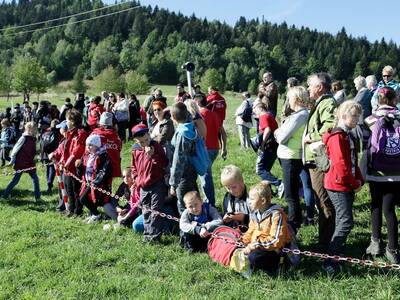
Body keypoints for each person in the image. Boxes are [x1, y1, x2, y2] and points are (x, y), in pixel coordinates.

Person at [322, 100, 364, 273]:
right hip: (338, 184)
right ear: (343, 114)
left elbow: (353, 160)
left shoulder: (348, 134)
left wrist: (359, 178)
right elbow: (341, 165)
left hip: (346, 183)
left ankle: (337, 254)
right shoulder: (338, 136)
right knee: (346, 222)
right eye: (354, 115)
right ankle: (329, 260)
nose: (357, 119)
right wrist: (354, 183)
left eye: (358, 116)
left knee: (342, 219)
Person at [363, 87, 400, 264]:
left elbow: (364, 144)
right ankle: (392, 249)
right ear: (395, 101)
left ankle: (375, 243)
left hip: (376, 172)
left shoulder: (370, 120)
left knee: (376, 206)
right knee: (390, 210)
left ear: (378, 100)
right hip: (396, 172)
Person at [303, 72, 337, 251]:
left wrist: (311, 136)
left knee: (324, 201)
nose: (308, 88)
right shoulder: (321, 102)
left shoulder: (328, 103)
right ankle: (325, 239)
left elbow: (330, 126)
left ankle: (326, 243)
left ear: (320, 87)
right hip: (315, 158)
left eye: (311, 85)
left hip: (319, 159)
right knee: (320, 200)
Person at [274, 86, 310, 233]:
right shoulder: (301, 114)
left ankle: (294, 223)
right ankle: (297, 219)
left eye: (289, 98)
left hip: (291, 156)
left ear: (295, 99)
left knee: (291, 193)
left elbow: (282, 137)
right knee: (294, 190)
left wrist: (278, 132)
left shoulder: (299, 116)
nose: (288, 101)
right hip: (292, 155)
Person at [241, 181, 292, 275]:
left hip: (275, 250)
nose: (249, 201)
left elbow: (276, 241)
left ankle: (275, 267)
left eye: (252, 199)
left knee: (254, 257)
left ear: (263, 201)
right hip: (259, 246)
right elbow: (250, 232)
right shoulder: (255, 214)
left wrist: (256, 245)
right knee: (240, 251)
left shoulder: (276, 215)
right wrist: (242, 242)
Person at [131, 124, 168, 243]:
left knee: (156, 211)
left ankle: (155, 236)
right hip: (143, 186)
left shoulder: (156, 146)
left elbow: (164, 163)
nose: (145, 143)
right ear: (136, 141)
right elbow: (134, 167)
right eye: (141, 142)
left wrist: (153, 156)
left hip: (157, 184)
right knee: (146, 211)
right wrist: (136, 179)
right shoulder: (135, 150)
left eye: (146, 140)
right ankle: (147, 234)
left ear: (149, 135)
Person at [49, 109, 89, 217]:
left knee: (75, 190)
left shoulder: (80, 134)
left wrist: (67, 163)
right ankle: (71, 210)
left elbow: (77, 151)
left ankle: (77, 211)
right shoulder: (69, 134)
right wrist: (54, 154)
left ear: (72, 120)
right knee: (68, 189)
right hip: (66, 168)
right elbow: (62, 149)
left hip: (74, 168)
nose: (66, 122)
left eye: (67, 119)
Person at [169, 102, 199, 214]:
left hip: (183, 175)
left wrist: (173, 184)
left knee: (184, 206)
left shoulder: (182, 134)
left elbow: (178, 160)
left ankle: (187, 230)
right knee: (196, 202)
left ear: (173, 117)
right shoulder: (190, 126)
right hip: (192, 170)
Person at [76, 134, 113, 224]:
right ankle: (93, 214)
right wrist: (79, 166)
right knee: (88, 199)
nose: (88, 147)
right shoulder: (87, 155)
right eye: (87, 145)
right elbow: (83, 170)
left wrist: (96, 182)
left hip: (97, 183)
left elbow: (104, 171)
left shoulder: (103, 156)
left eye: (90, 145)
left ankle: (96, 214)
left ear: (97, 145)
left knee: (83, 198)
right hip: (88, 181)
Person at [1, 122, 41, 201]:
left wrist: (38, 153)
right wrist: (12, 159)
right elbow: (15, 148)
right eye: (35, 128)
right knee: (15, 180)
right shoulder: (24, 138)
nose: (36, 130)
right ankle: (4, 195)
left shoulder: (33, 138)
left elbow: (33, 150)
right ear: (29, 129)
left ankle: (38, 198)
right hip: (21, 162)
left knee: (35, 179)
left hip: (30, 162)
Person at [195, 94, 220, 206]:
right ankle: (208, 201)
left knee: (205, 177)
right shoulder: (213, 114)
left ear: (197, 102)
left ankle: (210, 203)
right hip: (215, 148)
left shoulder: (200, 115)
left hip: (205, 149)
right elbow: (221, 131)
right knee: (206, 176)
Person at [252, 103, 283, 195]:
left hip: (268, 146)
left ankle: (279, 184)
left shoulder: (263, 116)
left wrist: (262, 143)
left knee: (260, 169)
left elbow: (268, 129)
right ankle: (269, 192)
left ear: (259, 108)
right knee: (266, 169)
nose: (254, 111)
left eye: (255, 109)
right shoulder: (270, 115)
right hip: (274, 146)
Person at [90, 112, 122, 179]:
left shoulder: (95, 134)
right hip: (112, 168)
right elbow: (119, 149)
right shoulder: (116, 137)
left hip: (96, 167)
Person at [220, 165, 250, 229]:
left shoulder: (251, 196)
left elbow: (260, 218)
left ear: (241, 181)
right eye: (228, 188)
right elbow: (226, 213)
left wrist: (244, 217)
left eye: (234, 187)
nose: (231, 191)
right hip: (234, 231)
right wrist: (226, 220)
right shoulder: (227, 197)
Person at [40, 119, 61, 194]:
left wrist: (41, 155)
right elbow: (55, 144)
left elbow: (41, 144)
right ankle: (49, 184)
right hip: (52, 154)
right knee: (52, 169)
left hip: (45, 154)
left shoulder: (45, 133)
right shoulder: (55, 133)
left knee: (48, 169)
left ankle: (48, 185)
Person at [206, 86, 227, 159]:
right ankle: (223, 149)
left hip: (210, 119)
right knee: (221, 134)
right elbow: (224, 109)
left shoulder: (210, 98)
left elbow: (204, 106)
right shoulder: (222, 99)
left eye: (209, 90)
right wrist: (222, 118)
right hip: (219, 120)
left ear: (212, 90)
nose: (208, 92)